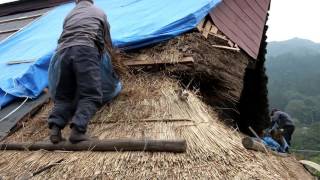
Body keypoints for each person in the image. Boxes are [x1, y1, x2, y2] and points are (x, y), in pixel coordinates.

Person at [47, 0, 121, 144]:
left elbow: (62, 37)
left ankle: (55, 130)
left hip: (63, 53)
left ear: (76, 1)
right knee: (91, 94)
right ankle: (78, 131)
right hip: (85, 50)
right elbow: (107, 41)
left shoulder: (69, 15)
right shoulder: (99, 12)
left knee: (64, 96)